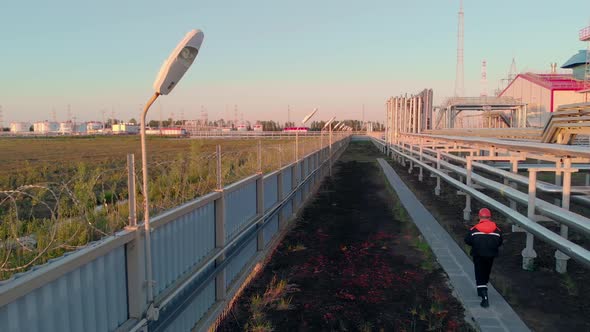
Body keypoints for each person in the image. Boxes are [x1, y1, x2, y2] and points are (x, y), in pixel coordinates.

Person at [464, 208, 503, 308]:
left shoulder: (474, 230)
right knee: (486, 271)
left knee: (479, 272)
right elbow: (499, 242)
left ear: (479, 217)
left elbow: (467, 240)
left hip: (478, 254)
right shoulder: (497, 230)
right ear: (490, 217)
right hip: (491, 255)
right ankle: (483, 286)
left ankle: (484, 296)